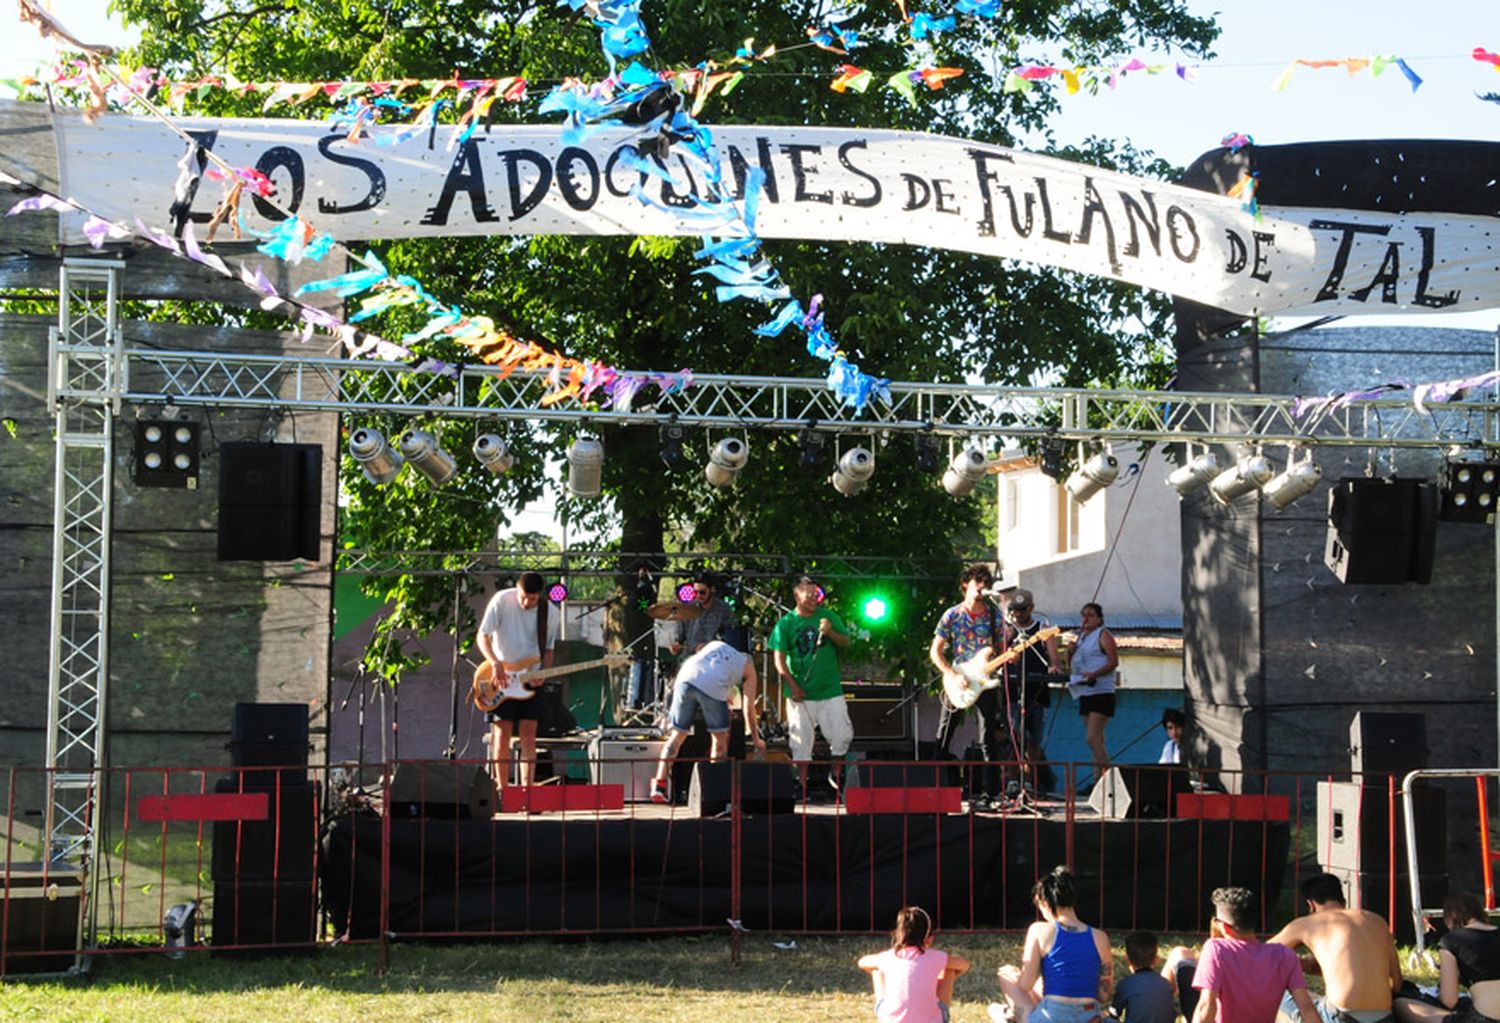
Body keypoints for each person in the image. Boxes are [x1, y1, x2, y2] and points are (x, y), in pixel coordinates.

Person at [1268, 872, 1401, 1023]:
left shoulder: (1306, 924)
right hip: (1384, 1016)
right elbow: (1396, 983)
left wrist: (1295, 964)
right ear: (1343, 901)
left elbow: (1258, 955)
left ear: (1311, 904)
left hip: (1340, 1016)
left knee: (1278, 990)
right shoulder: (1378, 922)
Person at [991, 866, 1113, 1023]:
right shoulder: (1100, 937)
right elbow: (1104, 995)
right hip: (1089, 1015)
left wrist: (1016, 975)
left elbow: (1025, 985)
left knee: (1005, 974)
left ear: (1045, 903)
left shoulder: (1038, 930)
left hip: (1052, 1016)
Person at [649, 639, 765, 803]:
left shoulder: (716, 646)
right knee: (719, 740)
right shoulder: (749, 668)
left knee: (677, 735)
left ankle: (658, 785)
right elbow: (748, 708)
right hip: (712, 684)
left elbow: (700, 650)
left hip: (684, 677)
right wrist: (756, 739)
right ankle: (714, 791)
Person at [769, 574, 854, 796]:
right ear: (797, 595)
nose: (814, 598)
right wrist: (792, 684)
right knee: (801, 740)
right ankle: (800, 784)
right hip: (800, 692)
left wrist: (830, 632)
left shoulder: (828, 616)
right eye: (808, 595)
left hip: (829, 689)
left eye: (816, 595)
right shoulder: (786, 623)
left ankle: (837, 778)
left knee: (841, 735)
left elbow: (846, 642)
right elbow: (778, 659)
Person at [932, 564, 1007, 810]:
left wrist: (1009, 656)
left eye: (985, 583)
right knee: (945, 733)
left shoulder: (994, 614)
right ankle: (935, 788)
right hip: (959, 679)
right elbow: (936, 651)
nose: (981, 587)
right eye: (977, 582)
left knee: (989, 738)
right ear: (966, 584)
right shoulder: (952, 614)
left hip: (986, 681)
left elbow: (1000, 649)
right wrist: (952, 675)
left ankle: (991, 794)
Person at [477, 571, 558, 790]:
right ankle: (502, 790)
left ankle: (527, 789)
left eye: (532, 599)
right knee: (502, 734)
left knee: (529, 735)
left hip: (529, 679)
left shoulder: (550, 612)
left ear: (540, 595)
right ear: (517, 589)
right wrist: (495, 663)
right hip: (501, 677)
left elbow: (549, 650)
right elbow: (482, 635)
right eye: (523, 596)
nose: (526, 602)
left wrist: (543, 671)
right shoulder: (502, 600)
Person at [1190, 886, 1319, 1023]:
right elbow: (1307, 1009)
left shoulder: (1216, 949)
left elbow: (1207, 1006)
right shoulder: (1285, 955)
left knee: (1182, 959)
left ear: (1223, 926)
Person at [1394, 892, 1500, 1023]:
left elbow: (1449, 1001)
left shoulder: (1452, 940)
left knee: (1401, 1004)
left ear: (1449, 918)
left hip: (1485, 1018)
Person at [858, 905, 971, 1023]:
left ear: (898, 935)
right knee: (949, 971)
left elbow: (862, 962)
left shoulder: (888, 957)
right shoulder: (935, 957)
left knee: (877, 971)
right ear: (929, 939)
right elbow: (964, 964)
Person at [1003, 588, 1063, 793]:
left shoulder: (1042, 629)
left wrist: (1054, 666)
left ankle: (1028, 781)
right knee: (1014, 735)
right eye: (1016, 609)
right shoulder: (1007, 629)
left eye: (1023, 609)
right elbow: (996, 656)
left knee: (1033, 739)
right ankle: (1012, 780)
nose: (1019, 614)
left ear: (1032, 608)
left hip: (1036, 690)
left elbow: (1054, 658)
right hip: (1012, 688)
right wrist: (1005, 639)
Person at [1068, 602, 1119, 778]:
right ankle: (1098, 779)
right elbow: (1073, 665)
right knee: (1097, 740)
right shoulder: (1080, 638)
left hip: (1101, 691)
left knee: (1092, 737)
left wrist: (1095, 674)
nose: (1086, 619)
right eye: (1084, 615)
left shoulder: (1103, 634)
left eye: (1091, 615)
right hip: (1085, 691)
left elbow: (1113, 662)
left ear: (1099, 618)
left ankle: (1110, 778)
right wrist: (1070, 652)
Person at [1112, 931, 1176, 1023]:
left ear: (1127, 959)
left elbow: (1114, 1013)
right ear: (1156, 960)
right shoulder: (1166, 984)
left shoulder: (1125, 985)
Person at [671, 570, 736, 657]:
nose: (698, 596)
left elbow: (730, 639)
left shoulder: (724, 610)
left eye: (702, 592)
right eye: (695, 592)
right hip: (691, 658)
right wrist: (675, 647)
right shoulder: (687, 608)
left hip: (715, 658)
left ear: (712, 589)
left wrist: (708, 647)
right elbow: (679, 638)